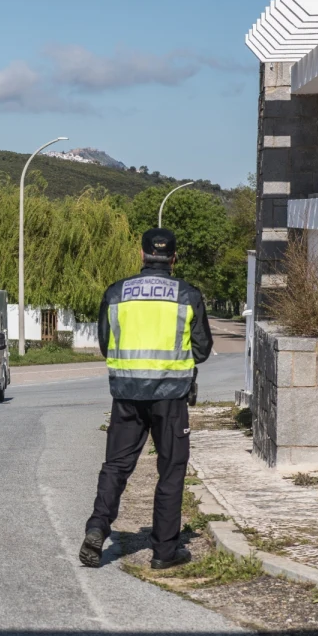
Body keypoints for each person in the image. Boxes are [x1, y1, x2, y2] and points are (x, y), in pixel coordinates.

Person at [79, 228, 212, 571]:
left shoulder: (116, 293)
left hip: (126, 394)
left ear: (142, 255)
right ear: (173, 258)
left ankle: (97, 527)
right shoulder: (187, 294)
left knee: (116, 466)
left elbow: (107, 345)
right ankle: (164, 552)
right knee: (170, 470)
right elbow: (203, 349)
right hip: (171, 397)